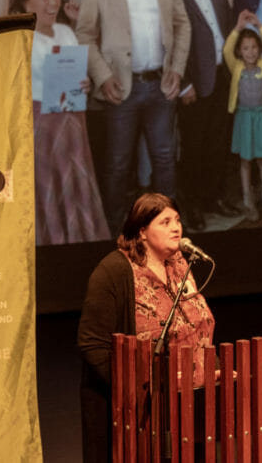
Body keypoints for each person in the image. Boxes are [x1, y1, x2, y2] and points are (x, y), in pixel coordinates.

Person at [75, 0, 191, 232]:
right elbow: (84, 34)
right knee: (118, 164)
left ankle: (167, 229)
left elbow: (183, 26)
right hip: (120, 89)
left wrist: (178, 70)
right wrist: (101, 75)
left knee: (165, 159)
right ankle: (113, 230)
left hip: (160, 84)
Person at [78, 193, 214, 463]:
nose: (176, 227)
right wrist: (135, 389)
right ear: (142, 231)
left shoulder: (180, 264)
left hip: (189, 403)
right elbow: (92, 343)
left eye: (177, 220)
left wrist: (210, 368)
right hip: (140, 415)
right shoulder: (113, 272)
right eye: (165, 222)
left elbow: (197, 326)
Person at [14, 0, 109, 244]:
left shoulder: (66, 31)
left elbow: (75, 74)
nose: (53, 3)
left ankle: (81, 235)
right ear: (26, 3)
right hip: (41, 125)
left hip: (73, 122)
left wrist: (85, 83)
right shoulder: (21, 38)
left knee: (75, 181)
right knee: (48, 183)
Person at [167, 0, 239, 228]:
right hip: (194, 80)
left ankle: (214, 198)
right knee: (194, 147)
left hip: (224, 73)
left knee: (219, 142)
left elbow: (226, 23)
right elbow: (168, 38)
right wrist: (182, 82)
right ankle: (192, 205)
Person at [223, 11, 262, 220]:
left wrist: (259, 24)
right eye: (245, 48)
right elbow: (227, 49)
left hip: (261, 118)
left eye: (254, 47)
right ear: (240, 51)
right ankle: (248, 201)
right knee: (245, 161)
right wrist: (238, 27)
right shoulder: (236, 67)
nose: (251, 52)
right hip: (244, 118)